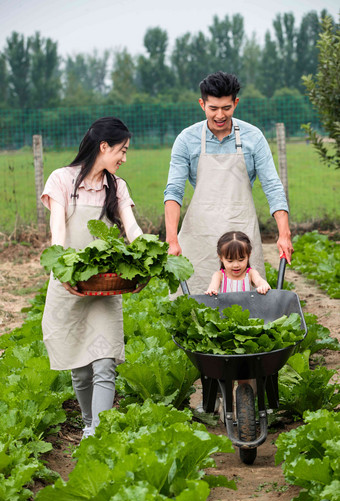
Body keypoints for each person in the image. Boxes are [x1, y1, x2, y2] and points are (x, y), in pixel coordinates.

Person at [41, 116, 143, 439]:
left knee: (104, 362)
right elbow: (58, 232)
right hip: (71, 285)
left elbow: (133, 229)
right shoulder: (61, 180)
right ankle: (89, 423)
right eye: (122, 151)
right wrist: (62, 268)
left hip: (105, 285)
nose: (124, 158)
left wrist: (147, 258)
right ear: (104, 147)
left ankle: (99, 434)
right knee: (81, 369)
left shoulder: (117, 187)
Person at [164, 71, 293, 295]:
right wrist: (171, 238)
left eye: (226, 107)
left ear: (236, 102)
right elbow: (174, 191)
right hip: (200, 234)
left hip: (241, 231)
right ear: (202, 103)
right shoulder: (187, 139)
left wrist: (284, 234)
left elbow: (272, 187)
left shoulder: (254, 137)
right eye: (213, 108)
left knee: (249, 305)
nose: (220, 115)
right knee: (195, 301)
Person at [205, 231, 271, 295]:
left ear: (249, 255)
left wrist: (263, 286)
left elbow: (260, 281)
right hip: (225, 306)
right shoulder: (219, 275)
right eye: (230, 261)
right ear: (221, 258)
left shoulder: (251, 273)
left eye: (241, 260)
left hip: (247, 306)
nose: (236, 265)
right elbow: (213, 287)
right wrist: (212, 291)